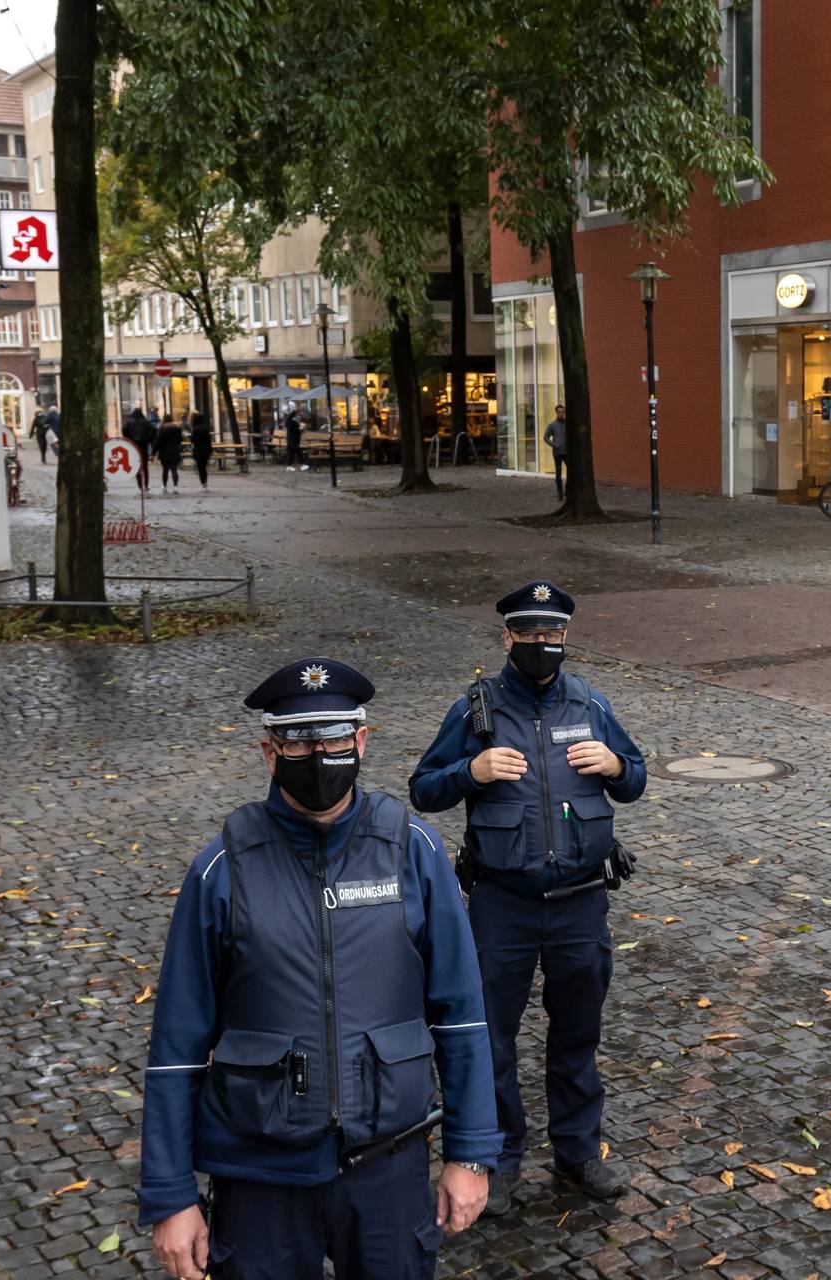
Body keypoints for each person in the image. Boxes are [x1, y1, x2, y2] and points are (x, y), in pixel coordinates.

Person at [137, 658, 499, 1279]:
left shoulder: (413, 851)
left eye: (333, 737)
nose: (318, 753)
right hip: (259, 1177)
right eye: (298, 740)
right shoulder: (222, 870)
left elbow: (460, 1014)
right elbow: (177, 1044)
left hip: (388, 1166)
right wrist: (170, 1194)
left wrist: (471, 1153)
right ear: (269, 752)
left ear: (360, 742)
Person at [409, 581, 647, 1217]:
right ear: (506, 637)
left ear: (565, 638)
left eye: (552, 635)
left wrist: (619, 768)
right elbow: (423, 789)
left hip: (580, 903)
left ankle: (577, 1153)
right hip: (502, 904)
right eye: (529, 635)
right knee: (490, 1040)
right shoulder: (475, 711)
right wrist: (472, 772)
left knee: (578, 1035)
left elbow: (637, 779)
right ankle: (498, 1161)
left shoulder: (590, 703)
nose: (542, 646)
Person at [124, 408, 160, 494]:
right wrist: (149, 439)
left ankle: (140, 486)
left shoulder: (129, 422)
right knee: (145, 468)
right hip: (143, 446)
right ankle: (146, 486)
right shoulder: (145, 421)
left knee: (137, 467)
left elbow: (124, 430)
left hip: (134, 447)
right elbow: (154, 430)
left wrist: (129, 439)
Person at [542, 406, 570, 500]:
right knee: (558, 473)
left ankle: (567, 491)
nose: (561, 413)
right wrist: (554, 445)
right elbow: (545, 437)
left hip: (567, 452)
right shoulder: (552, 425)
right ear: (556, 413)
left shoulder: (568, 424)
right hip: (557, 452)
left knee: (571, 471)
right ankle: (560, 493)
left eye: (563, 412)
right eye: (559, 412)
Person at [157, 416, 187, 490]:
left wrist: (154, 451)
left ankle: (164, 486)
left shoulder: (162, 428)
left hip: (164, 452)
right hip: (174, 451)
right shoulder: (177, 428)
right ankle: (175, 486)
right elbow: (180, 440)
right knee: (174, 470)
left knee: (165, 470)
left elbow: (158, 440)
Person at [191, 412, 215, 488]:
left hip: (198, 450)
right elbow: (209, 440)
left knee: (200, 467)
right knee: (204, 467)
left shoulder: (195, 429)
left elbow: (192, 440)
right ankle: (205, 482)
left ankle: (203, 483)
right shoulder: (205, 429)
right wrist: (210, 449)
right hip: (206, 450)